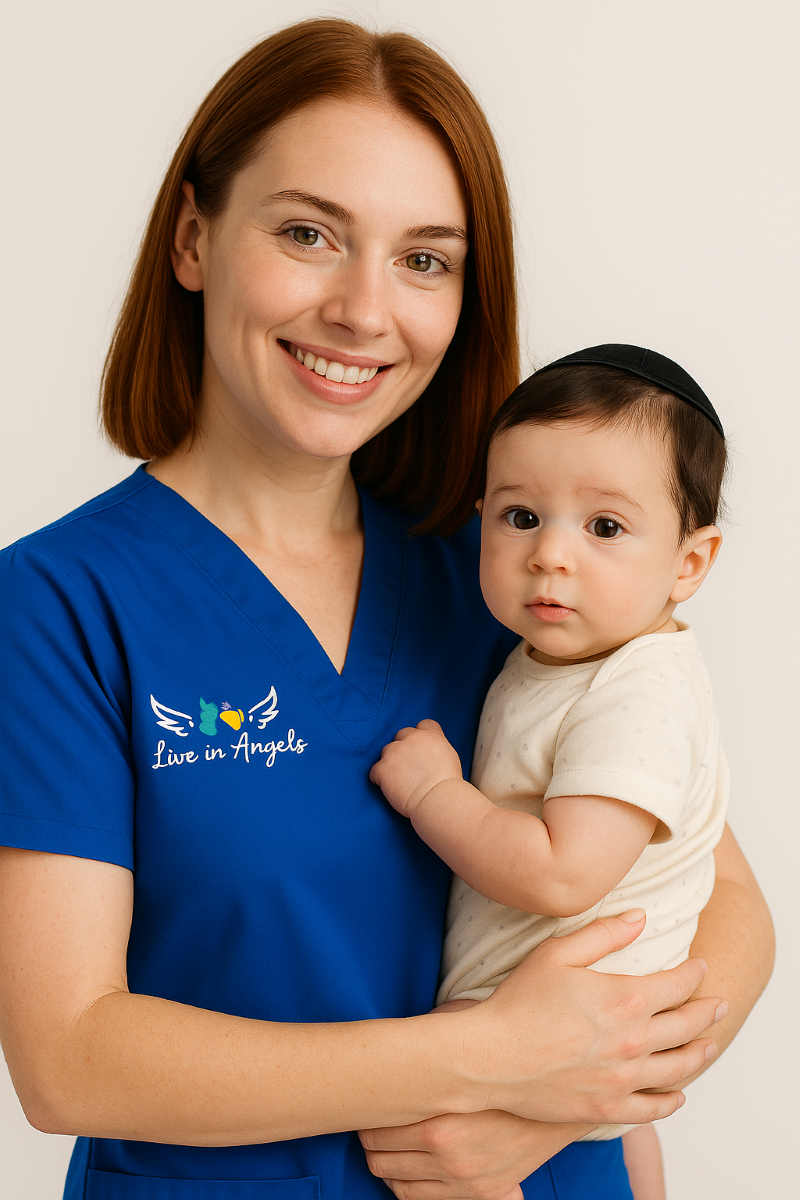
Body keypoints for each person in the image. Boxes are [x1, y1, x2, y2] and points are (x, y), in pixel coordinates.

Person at [0, 19, 772, 1200]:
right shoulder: (62, 604)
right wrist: (486, 1063)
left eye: (425, 259)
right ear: (195, 238)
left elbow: (725, 906)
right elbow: (70, 1060)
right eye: (308, 233)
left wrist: (554, 1110)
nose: (364, 311)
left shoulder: (512, 575)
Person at [370, 344, 731, 1199]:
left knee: (434, 1092)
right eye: (520, 516)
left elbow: (564, 872)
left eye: (604, 527)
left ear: (690, 562)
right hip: (593, 1035)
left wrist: (434, 796)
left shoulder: (639, 688)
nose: (550, 555)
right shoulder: (562, 655)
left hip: (567, 1014)